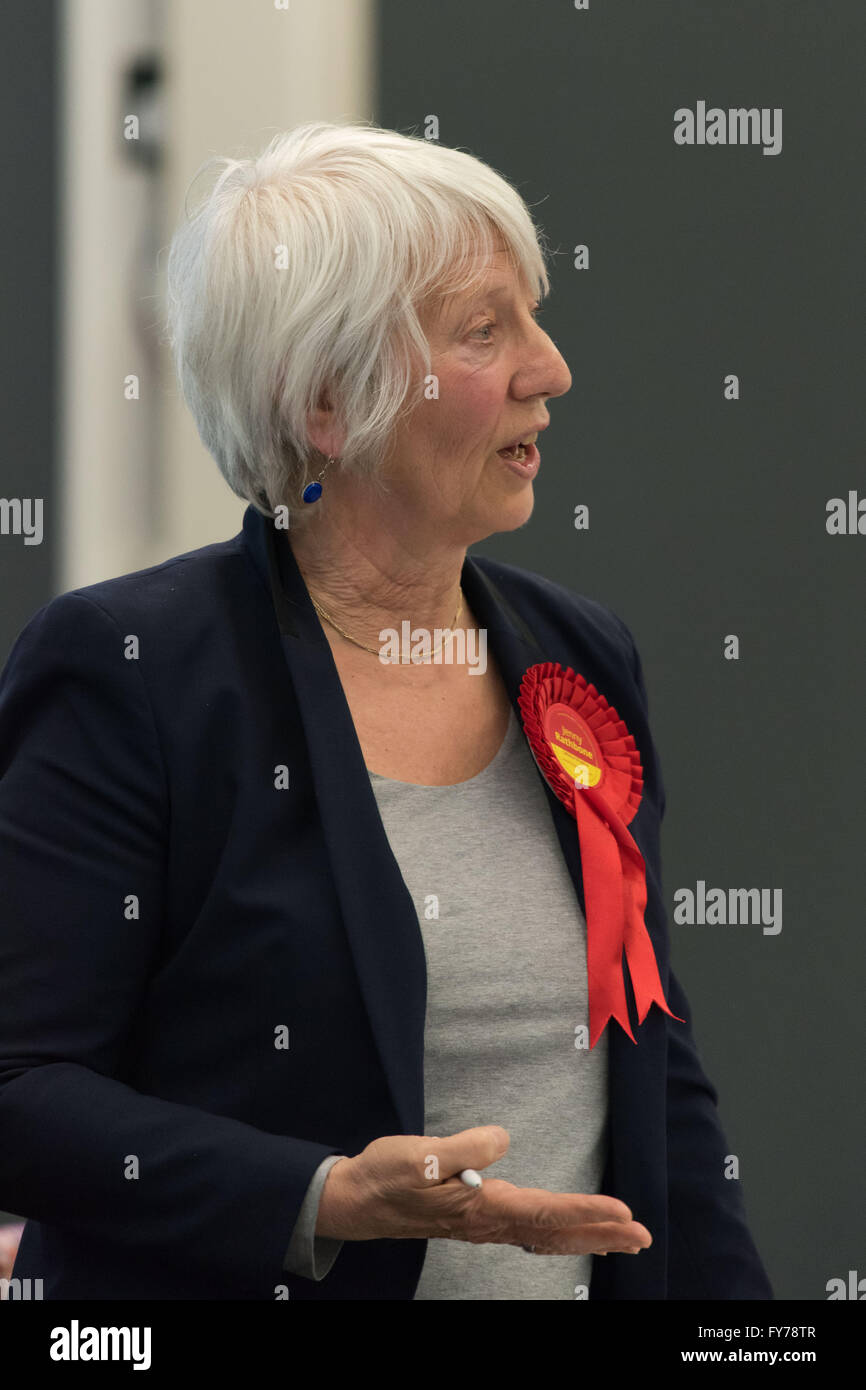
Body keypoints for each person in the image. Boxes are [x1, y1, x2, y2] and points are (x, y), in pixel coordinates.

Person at [0, 120, 772, 1300]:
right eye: (483, 329)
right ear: (327, 403)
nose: (548, 367)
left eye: (534, 313)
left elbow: (654, 1074)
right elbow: (21, 1086)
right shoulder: (135, 668)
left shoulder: (577, 653)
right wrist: (322, 1198)